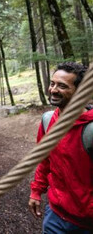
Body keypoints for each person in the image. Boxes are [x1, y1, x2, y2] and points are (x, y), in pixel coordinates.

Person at [28, 62, 93, 232]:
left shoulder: (91, 129)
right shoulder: (48, 120)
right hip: (55, 216)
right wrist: (36, 191)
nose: (53, 90)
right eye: (52, 83)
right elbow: (45, 160)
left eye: (62, 86)